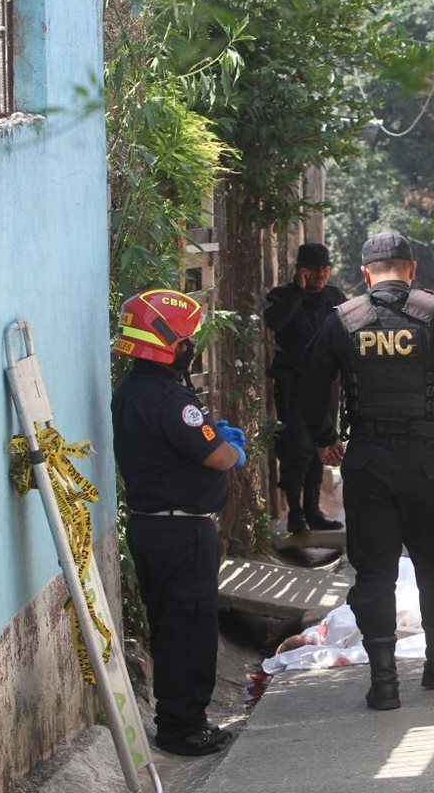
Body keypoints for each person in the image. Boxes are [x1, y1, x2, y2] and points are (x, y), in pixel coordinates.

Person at [300, 230, 434, 711]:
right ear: (412, 270)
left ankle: (384, 680)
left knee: (374, 572)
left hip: (369, 464)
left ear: (365, 274)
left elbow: (306, 387)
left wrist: (326, 437)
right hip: (430, 463)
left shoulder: (342, 320)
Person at [110, 289, 247, 756]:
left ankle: (177, 720)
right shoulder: (170, 398)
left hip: (151, 528)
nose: (191, 346)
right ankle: (184, 727)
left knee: (170, 626)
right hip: (182, 532)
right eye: (186, 339)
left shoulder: (131, 391)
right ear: (167, 340)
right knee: (190, 628)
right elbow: (217, 455)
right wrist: (232, 449)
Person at [265, 242, 348, 534]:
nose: (321, 275)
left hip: (328, 386)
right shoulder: (283, 297)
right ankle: (295, 514)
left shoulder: (335, 298)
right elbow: (275, 322)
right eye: (315, 270)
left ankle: (313, 511)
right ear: (302, 271)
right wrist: (298, 293)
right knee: (295, 448)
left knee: (320, 447)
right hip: (294, 385)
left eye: (326, 269)